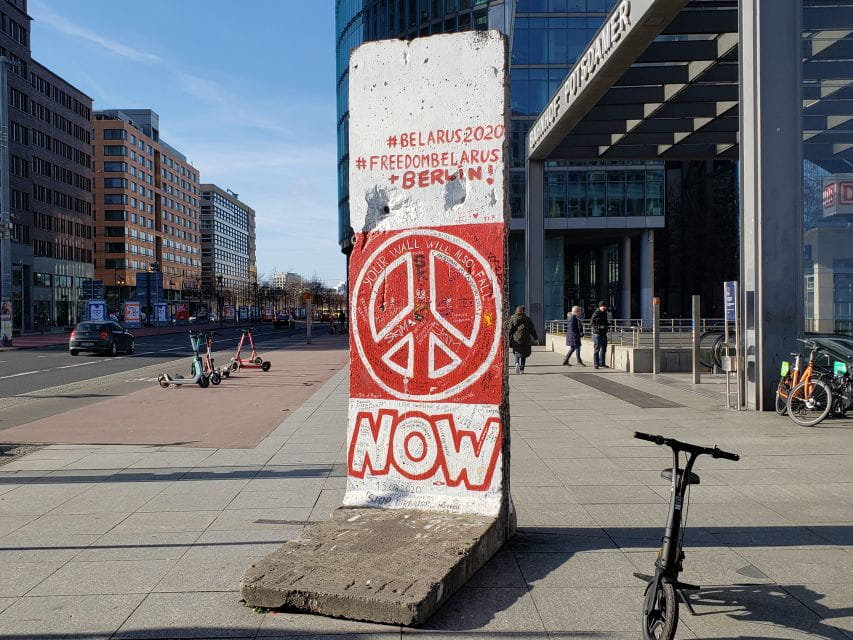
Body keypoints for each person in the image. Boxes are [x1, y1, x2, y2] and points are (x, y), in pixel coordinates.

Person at [509, 305, 538, 374]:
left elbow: (510, 329)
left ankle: (516, 363)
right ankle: (522, 369)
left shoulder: (513, 318)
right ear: (523, 311)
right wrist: (536, 338)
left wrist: (507, 337)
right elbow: (532, 329)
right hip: (525, 339)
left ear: (516, 311)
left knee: (517, 352)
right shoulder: (527, 319)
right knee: (523, 354)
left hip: (516, 339)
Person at [590, 300, 610, 369]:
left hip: (604, 333)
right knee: (597, 349)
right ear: (600, 306)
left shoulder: (605, 313)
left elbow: (605, 322)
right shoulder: (596, 313)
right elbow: (591, 323)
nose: (604, 307)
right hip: (597, 334)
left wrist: (607, 325)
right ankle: (596, 364)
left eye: (605, 306)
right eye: (603, 306)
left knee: (604, 349)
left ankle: (602, 363)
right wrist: (599, 327)